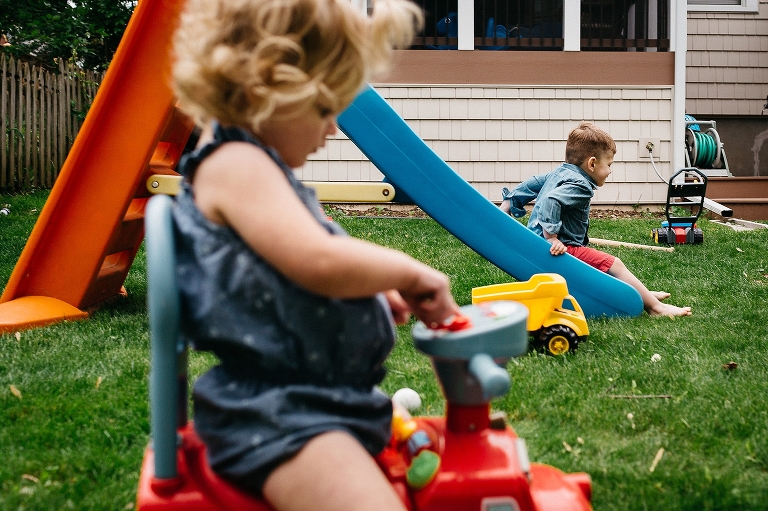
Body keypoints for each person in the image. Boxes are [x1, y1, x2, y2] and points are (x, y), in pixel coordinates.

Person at [170, 0, 461, 509]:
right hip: (280, 418)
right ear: (268, 86)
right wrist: (409, 272)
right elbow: (318, 261)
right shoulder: (236, 164)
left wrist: (373, 289)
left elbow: (294, 268)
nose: (332, 130)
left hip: (314, 401)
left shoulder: (255, 165)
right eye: (326, 109)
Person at [499, 122, 691, 318]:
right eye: (608, 165)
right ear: (592, 164)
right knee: (614, 264)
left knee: (596, 267)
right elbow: (551, 200)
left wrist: (509, 202)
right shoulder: (581, 185)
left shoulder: (560, 172)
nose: (609, 171)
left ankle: (641, 294)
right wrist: (552, 237)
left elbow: (532, 184)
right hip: (559, 247)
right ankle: (655, 308)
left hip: (539, 242)